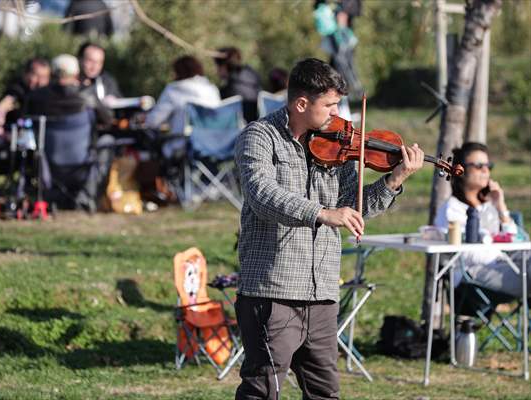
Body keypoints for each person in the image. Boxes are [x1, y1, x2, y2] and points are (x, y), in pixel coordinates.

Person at [234, 58, 424, 399]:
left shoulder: (337, 144)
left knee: (325, 393)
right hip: (273, 288)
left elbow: (352, 206)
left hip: (322, 291)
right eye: (330, 105)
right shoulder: (259, 137)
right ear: (302, 103)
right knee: (262, 389)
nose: (339, 113)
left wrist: (395, 179)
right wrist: (321, 212)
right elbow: (262, 194)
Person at [434, 142, 530, 298]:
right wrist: (500, 252)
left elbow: (517, 242)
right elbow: (461, 253)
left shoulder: (490, 206)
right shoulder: (452, 209)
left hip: (507, 266)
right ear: (461, 170)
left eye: (488, 165)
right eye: (479, 165)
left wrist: (501, 206)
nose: (486, 170)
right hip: (471, 275)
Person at [25, 54, 114, 212]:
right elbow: (107, 120)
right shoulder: (88, 95)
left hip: (48, 165)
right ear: (76, 73)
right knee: (108, 141)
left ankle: (41, 194)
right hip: (82, 163)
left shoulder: (36, 97)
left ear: (52, 72)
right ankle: (87, 197)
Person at [145, 55, 221, 135]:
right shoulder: (212, 90)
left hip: (182, 144)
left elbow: (153, 122)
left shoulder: (173, 90)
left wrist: (145, 118)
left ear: (179, 72)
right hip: (209, 144)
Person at [313, 0, 363, 98]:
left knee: (344, 65)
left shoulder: (329, 9)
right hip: (335, 37)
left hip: (339, 38)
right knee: (341, 65)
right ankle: (349, 91)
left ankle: (354, 90)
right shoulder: (325, 9)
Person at [214, 47, 261, 123]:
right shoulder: (254, 80)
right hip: (256, 128)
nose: (216, 70)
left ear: (224, 66)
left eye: (217, 66)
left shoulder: (228, 90)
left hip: (237, 132)